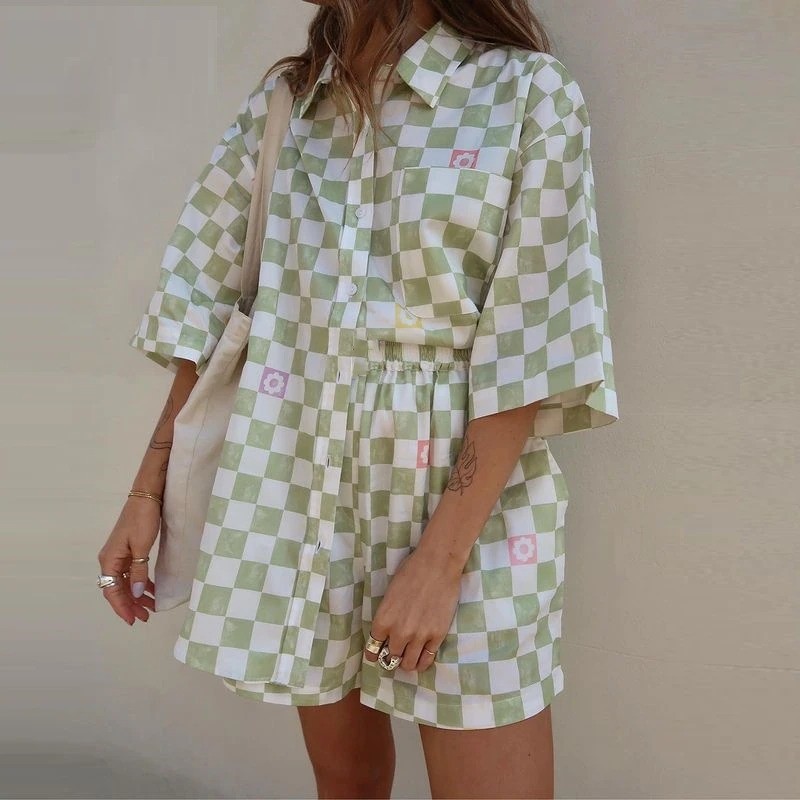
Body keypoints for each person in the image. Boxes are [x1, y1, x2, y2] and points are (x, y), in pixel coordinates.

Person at [98, 0, 619, 796]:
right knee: (347, 787)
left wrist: (440, 565)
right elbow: (208, 318)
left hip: (471, 511)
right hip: (301, 488)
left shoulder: (525, 94)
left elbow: (532, 341)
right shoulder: (287, 105)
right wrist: (145, 493)